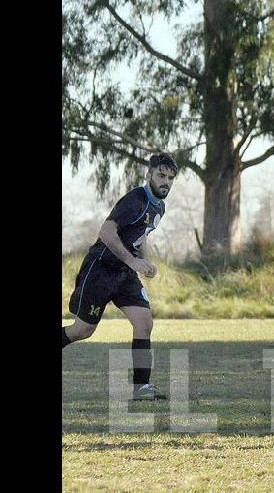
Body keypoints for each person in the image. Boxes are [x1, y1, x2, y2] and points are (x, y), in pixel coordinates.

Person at [62, 153, 178, 401]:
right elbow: (106, 231)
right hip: (101, 269)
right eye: (161, 175)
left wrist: (144, 262)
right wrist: (133, 261)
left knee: (144, 323)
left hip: (124, 274)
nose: (165, 182)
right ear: (148, 175)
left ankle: (141, 388)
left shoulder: (160, 206)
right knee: (82, 331)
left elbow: (142, 233)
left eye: (170, 178)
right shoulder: (135, 200)